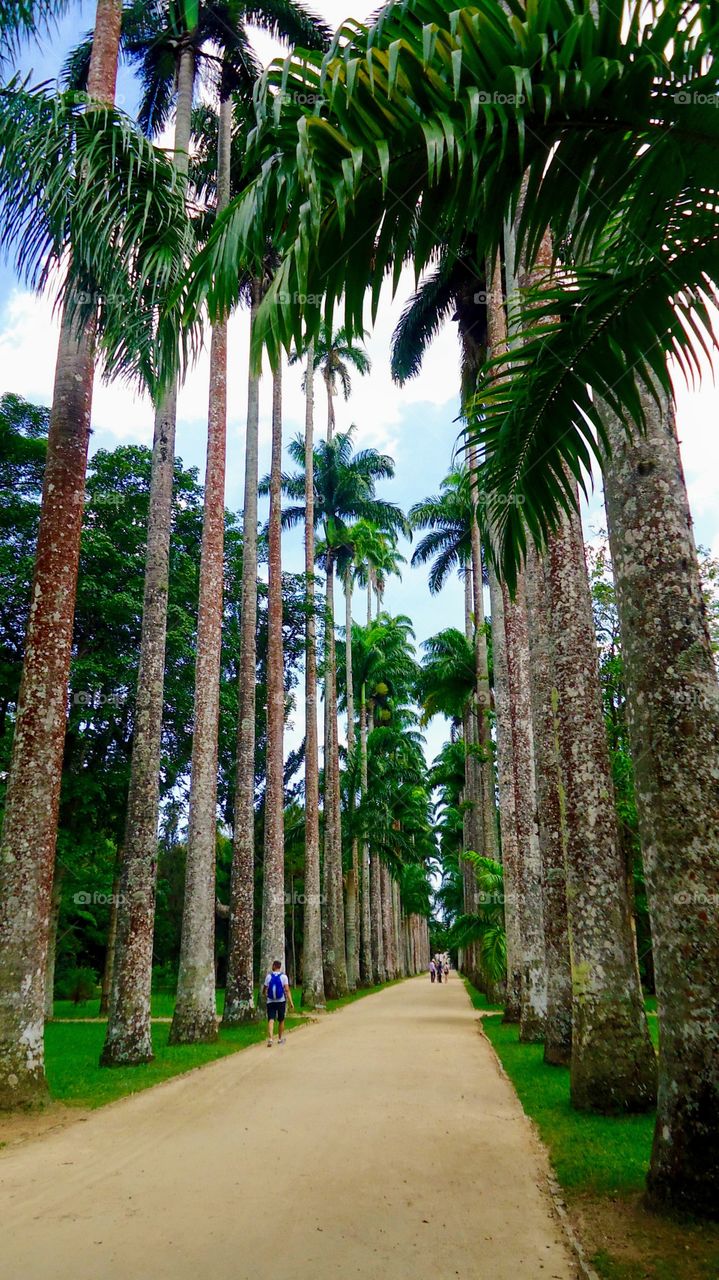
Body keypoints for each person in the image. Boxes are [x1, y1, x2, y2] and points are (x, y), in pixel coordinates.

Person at [262, 959, 294, 1046]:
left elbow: (264, 989)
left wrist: (265, 994)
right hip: (281, 1001)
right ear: (279, 967)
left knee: (271, 1020)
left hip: (270, 1001)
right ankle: (280, 1039)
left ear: (274, 966)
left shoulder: (268, 977)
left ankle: (270, 1039)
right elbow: (287, 990)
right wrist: (291, 1002)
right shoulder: (284, 977)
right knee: (281, 1020)